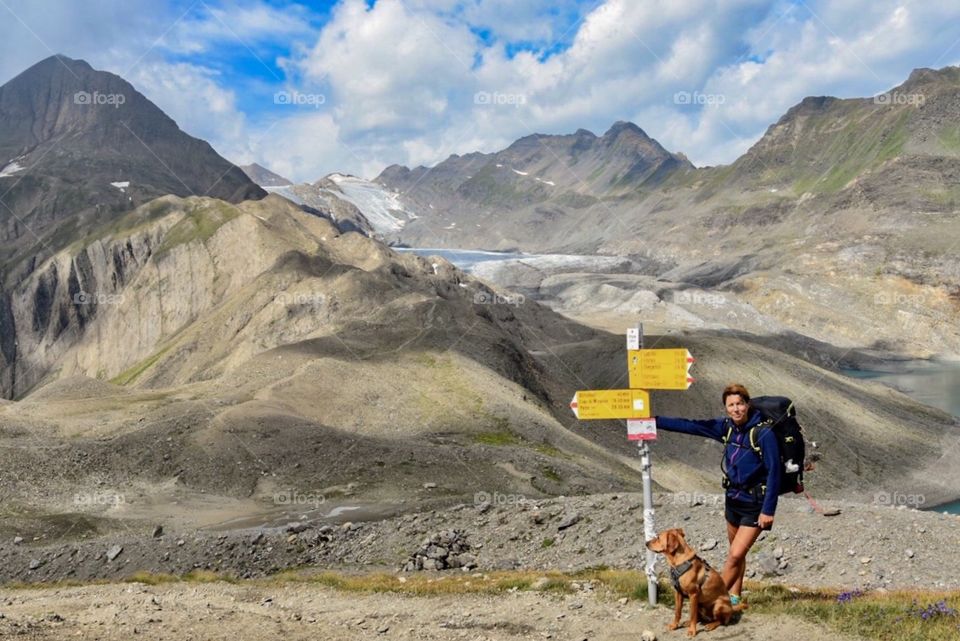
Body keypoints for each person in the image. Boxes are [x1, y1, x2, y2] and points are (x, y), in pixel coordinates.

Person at [654, 383, 780, 605]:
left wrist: (768, 509)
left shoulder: (764, 433)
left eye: (740, 404)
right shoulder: (727, 428)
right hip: (733, 501)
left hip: (755, 504)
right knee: (737, 554)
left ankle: (712, 600)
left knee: (734, 556)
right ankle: (734, 598)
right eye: (731, 405)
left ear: (747, 404)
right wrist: (654, 421)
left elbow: (774, 472)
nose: (736, 409)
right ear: (726, 408)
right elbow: (691, 426)